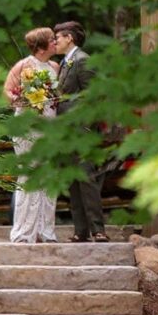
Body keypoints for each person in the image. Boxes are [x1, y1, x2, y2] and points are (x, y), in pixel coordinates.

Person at [53, 20, 109, 243]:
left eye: (58, 38)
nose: (55, 42)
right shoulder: (66, 62)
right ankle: (81, 230)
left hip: (81, 130)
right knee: (73, 181)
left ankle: (98, 229)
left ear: (70, 38)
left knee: (87, 178)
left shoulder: (83, 60)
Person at [3, 27, 59, 244]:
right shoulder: (24, 65)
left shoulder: (54, 66)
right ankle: (24, 231)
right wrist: (23, 101)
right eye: (52, 40)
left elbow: (58, 95)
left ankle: (45, 230)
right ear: (42, 45)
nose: (55, 42)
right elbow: (8, 91)